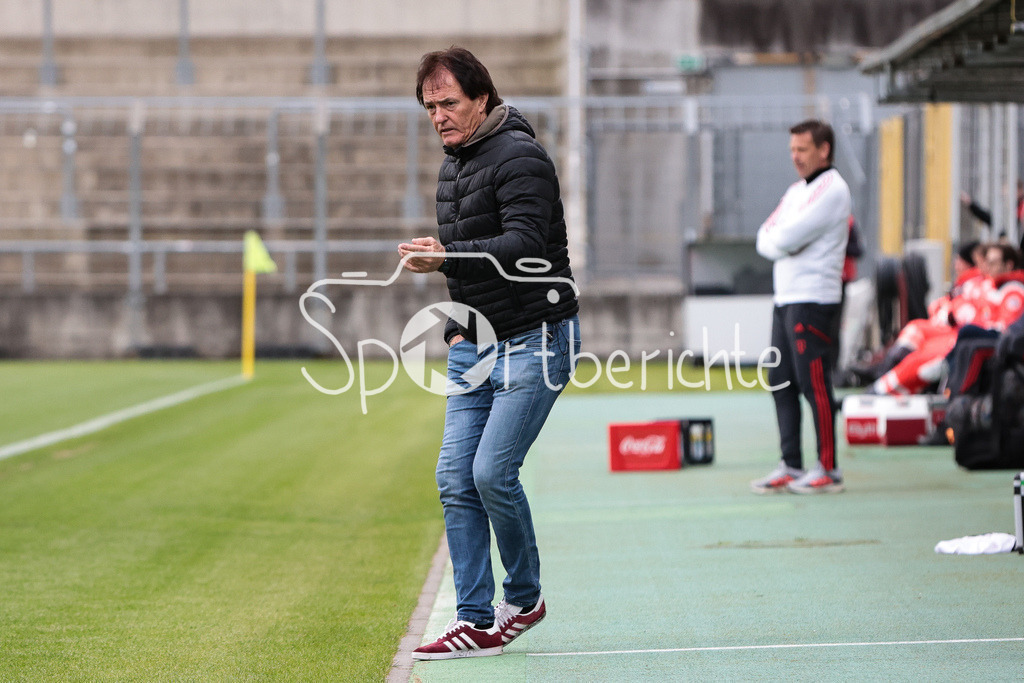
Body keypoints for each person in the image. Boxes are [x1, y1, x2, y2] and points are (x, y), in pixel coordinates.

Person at [398, 46, 581, 660]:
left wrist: (447, 257)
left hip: (537, 338)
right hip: (475, 343)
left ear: (483, 98)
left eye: (449, 103)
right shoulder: (455, 164)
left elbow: (525, 247)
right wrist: (453, 324)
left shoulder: (521, 156)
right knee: (453, 477)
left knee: (489, 473)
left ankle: (523, 599)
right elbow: (469, 261)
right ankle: (475, 620)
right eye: (429, 107)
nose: (439, 117)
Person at [750, 119, 851, 494]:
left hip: (814, 298)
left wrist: (784, 241)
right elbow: (767, 237)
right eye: (792, 150)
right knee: (780, 380)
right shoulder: (795, 191)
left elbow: (787, 235)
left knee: (815, 384)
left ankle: (828, 468)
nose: (795, 157)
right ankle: (791, 465)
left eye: (802, 149)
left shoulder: (835, 189)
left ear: (824, 150)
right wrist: (784, 242)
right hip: (786, 298)